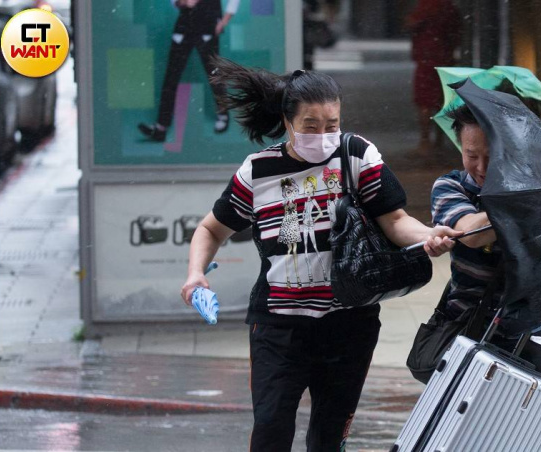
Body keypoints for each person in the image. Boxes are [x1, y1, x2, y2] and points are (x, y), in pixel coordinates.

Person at [180, 58, 459, 451]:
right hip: (279, 327)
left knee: (329, 437)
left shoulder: (357, 155)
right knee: (271, 430)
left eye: (332, 124)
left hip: (348, 325)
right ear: (288, 121)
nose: (324, 135)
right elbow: (211, 228)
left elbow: (395, 219)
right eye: (311, 126)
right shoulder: (258, 172)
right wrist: (195, 274)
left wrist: (429, 235)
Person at [429, 104, 541, 382]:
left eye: (492, 156)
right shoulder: (450, 187)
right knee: (462, 421)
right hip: (467, 324)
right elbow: (471, 234)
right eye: (471, 155)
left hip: (531, 329)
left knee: (532, 420)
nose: (481, 167)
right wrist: (523, 202)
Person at [138, 0, 238, 142]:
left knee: (214, 74)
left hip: (208, 25)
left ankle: (223, 114)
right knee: (171, 77)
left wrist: (224, 21)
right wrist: (183, 2)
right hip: (184, 26)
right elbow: (175, 2)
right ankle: (161, 127)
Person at [406, 0, 461, 151]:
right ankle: (439, 140)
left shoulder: (425, 7)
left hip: (426, 59)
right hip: (444, 59)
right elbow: (456, 33)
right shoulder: (449, 8)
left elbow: (411, 24)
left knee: (424, 101)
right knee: (441, 100)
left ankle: (425, 140)